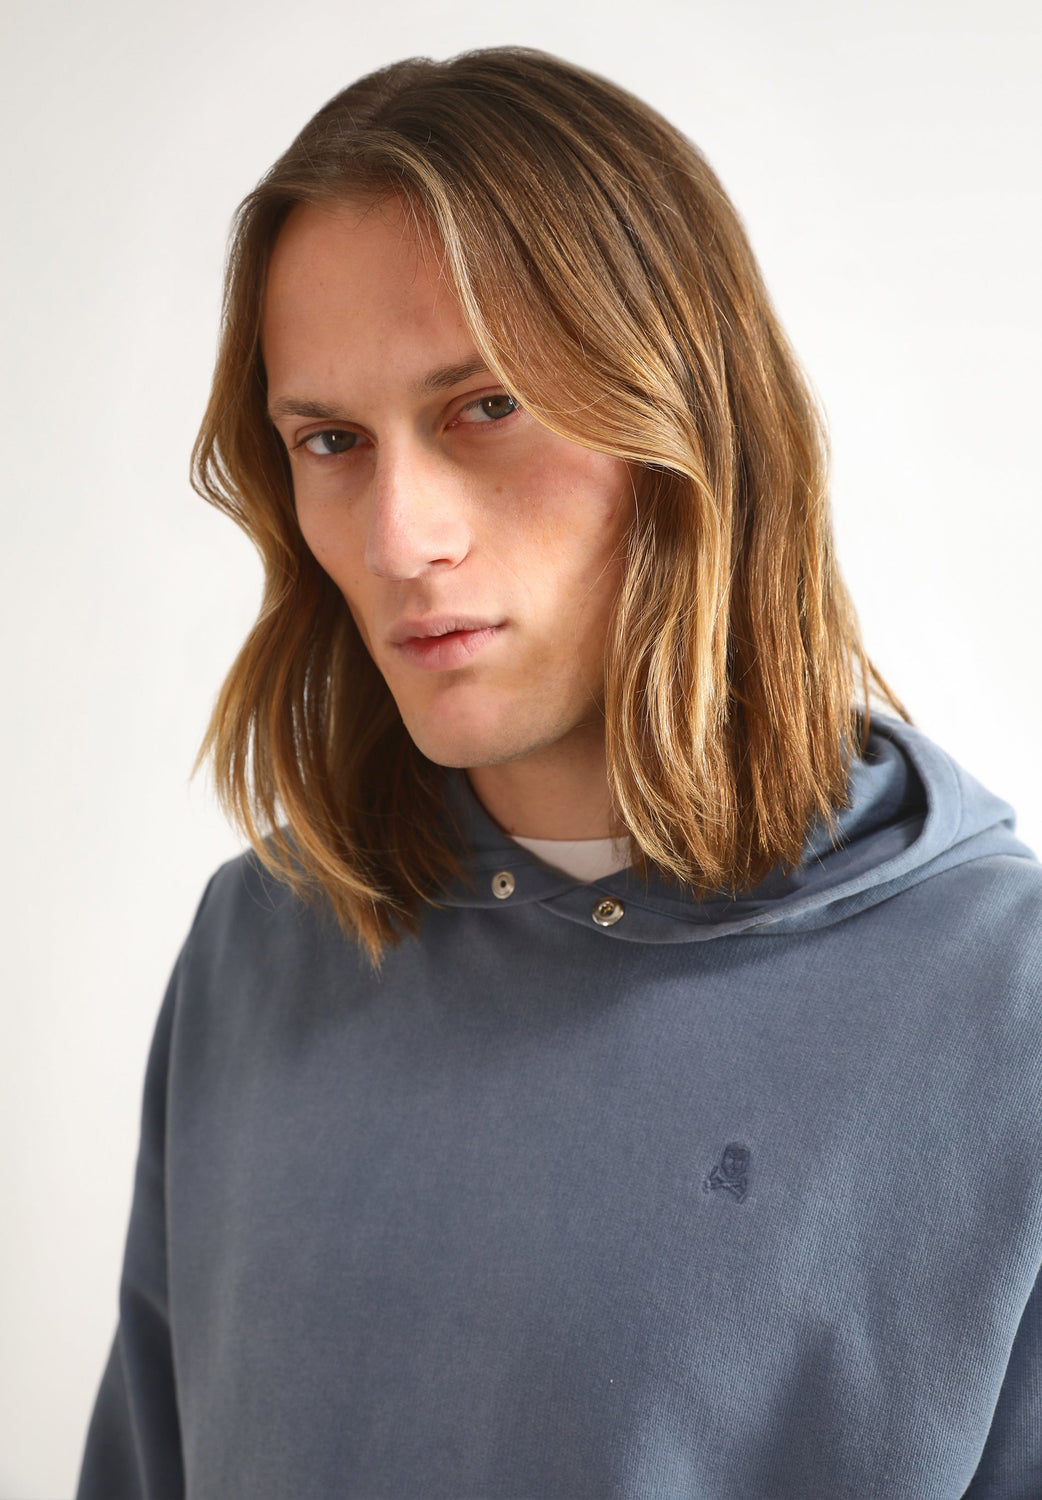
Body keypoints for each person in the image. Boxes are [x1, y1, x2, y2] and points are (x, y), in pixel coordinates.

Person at [77, 47, 1042, 1499]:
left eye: (485, 407)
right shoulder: (255, 948)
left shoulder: (1005, 1019)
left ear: (689, 414)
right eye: (330, 442)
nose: (399, 539)